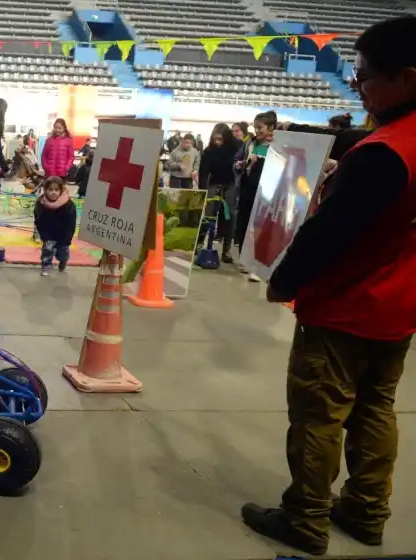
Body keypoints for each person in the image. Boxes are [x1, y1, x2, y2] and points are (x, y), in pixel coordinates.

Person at [240, 16, 416, 557]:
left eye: (365, 76)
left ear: (407, 77)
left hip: (346, 306)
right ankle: (366, 511)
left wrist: (283, 279)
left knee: (320, 415)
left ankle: (306, 519)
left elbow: (330, 232)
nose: (358, 87)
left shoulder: (387, 150)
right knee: (375, 410)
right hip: (399, 308)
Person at [233, 110, 276, 282]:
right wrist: (240, 164)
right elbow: (238, 159)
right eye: (255, 127)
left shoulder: (277, 144)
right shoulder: (249, 142)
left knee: (262, 227)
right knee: (244, 223)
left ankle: (259, 266)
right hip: (246, 189)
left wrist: (264, 163)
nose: (256, 131)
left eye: (260, 127)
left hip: (267, 193)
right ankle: (245, 259)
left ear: (271, 127)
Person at [198, 122, 240, 263]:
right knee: (208, 214)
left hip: (231, 184)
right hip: (214, 183)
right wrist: (202, 191)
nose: (218, 142)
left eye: (220, 139)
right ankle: (199, 244)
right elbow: (203, 172)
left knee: (230, 217)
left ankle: (226, 250)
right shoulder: (209, 151)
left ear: (226, 137)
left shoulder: (237, 147)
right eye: (215, 139)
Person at [34, 176, 77, 276]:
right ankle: (45, 266)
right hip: (49, 233)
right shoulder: (41, 203)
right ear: (45, 190)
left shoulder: (68, 204)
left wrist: (68, 237)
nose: (53, 192)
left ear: (61, 190)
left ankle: (63, 262)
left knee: (63, 254)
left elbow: (71, 222)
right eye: (50, 189)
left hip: (63, 235)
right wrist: (44, 235)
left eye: (56, 190)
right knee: (47, 250)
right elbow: (39, 220)